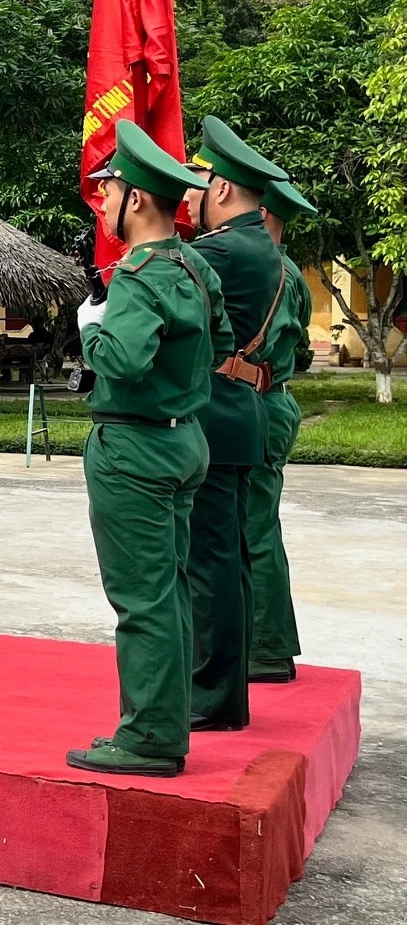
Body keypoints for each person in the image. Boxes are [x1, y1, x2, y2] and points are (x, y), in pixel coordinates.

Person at [65, 121, 222, 778]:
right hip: (184, 439)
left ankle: (150, 738)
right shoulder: (194, 265)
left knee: (143, 599)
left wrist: (91, 329)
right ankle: (166, 721)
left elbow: (123, 361)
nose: (101, 202)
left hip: (134, 448)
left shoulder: (137, 276)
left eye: (108, 191)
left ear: (135, 199)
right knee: (170, 592)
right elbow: (222, 339)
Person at [183, 117, 288, 735]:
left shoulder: (221, 250)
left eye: (195, 184)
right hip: (237, 413)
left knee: (211, 562)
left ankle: (214, 695)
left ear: (221, 189)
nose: (186, 197)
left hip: (215, 415)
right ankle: (226, 691)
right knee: (229, 559)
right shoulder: (257, 245)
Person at [247, 178, 316, 685]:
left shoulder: (268, 271)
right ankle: (267, 645)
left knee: (254, 528)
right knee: (258, 525)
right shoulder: (288, 271)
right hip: (273, 399)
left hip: (260, 402)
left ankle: (267, 649)